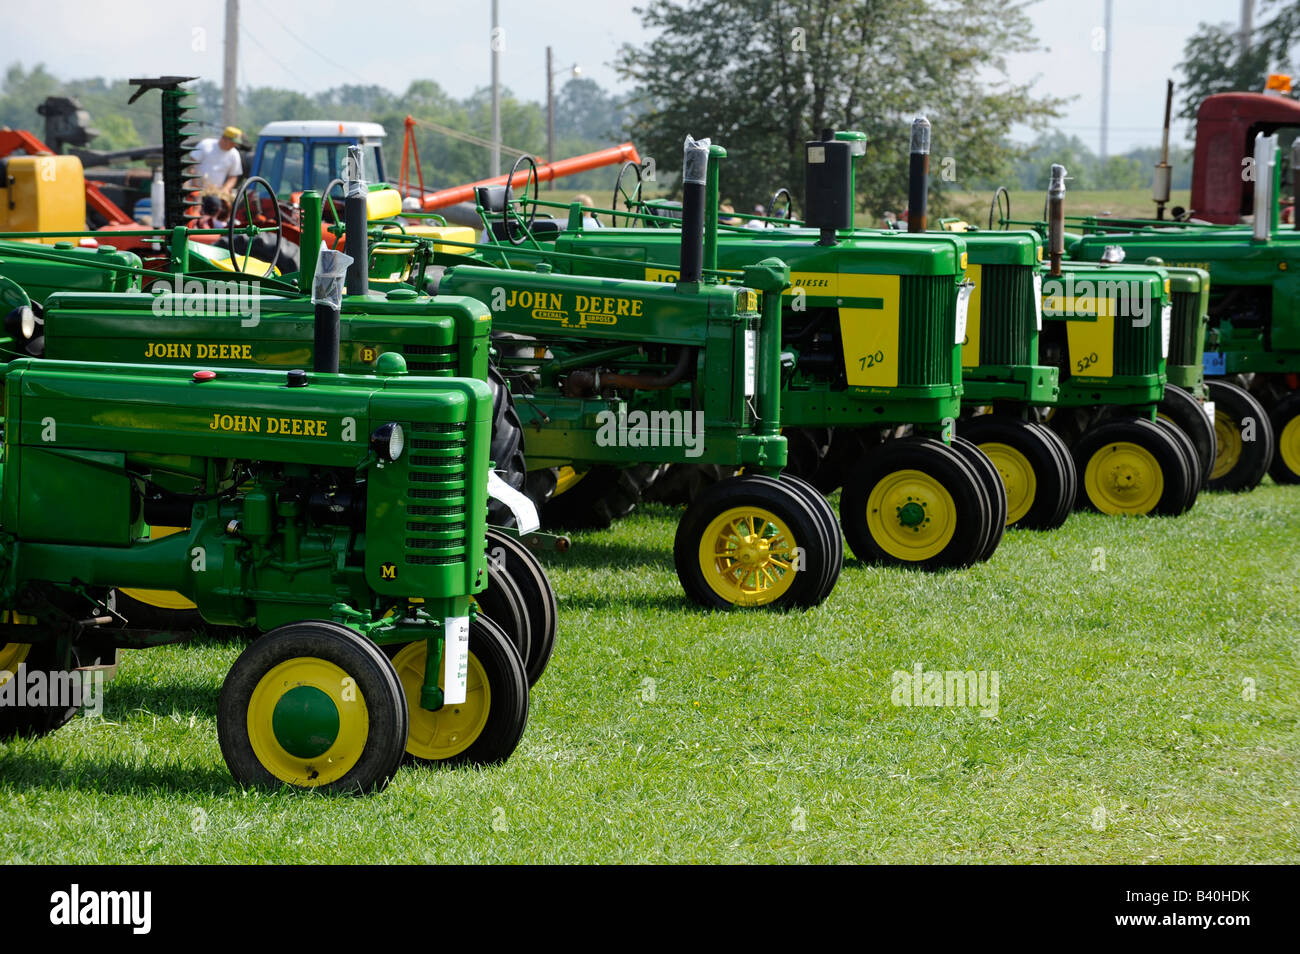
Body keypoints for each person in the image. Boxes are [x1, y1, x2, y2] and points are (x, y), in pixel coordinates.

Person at [192, 126, 245, 197]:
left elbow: (233, 176)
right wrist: (195, 186)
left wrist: (225, 188)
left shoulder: (234, 154)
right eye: (232, 142)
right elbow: (191, 166)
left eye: (236, 143)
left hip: (216, 193)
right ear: (224, 138)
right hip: (196, 190)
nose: (234, 145)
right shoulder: (205, 145)